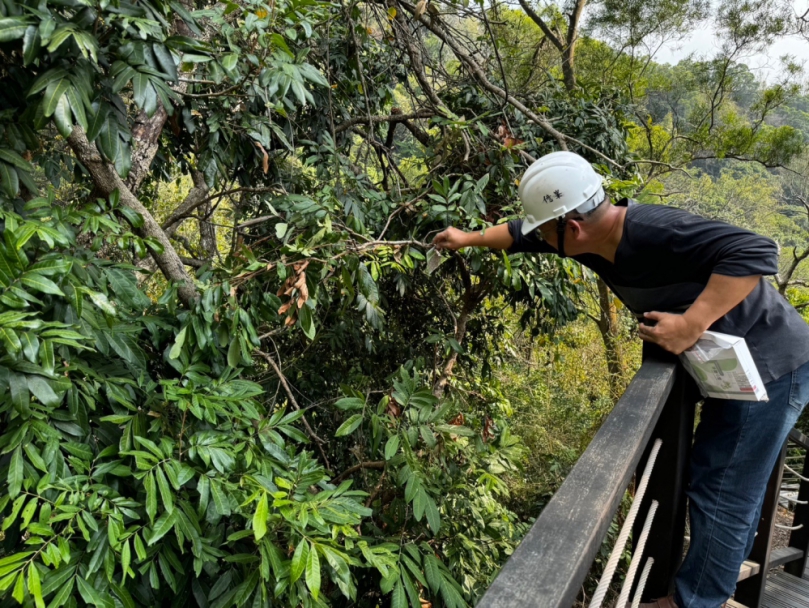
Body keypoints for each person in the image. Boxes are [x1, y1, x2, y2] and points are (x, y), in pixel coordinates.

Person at [432, 151, 809, 608]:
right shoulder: (592, 237)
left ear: (571, 228)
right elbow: (518, 233)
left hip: (773, 363)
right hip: (733, 369)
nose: (541, 240)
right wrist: (465, 239)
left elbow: (756, 250)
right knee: (721, 476)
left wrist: (691, 323)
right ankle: (713, 584)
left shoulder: (654, 230)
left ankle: (698, 601)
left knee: (723, 486)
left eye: (547, 233)